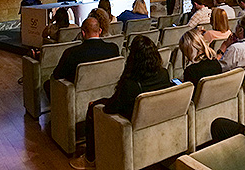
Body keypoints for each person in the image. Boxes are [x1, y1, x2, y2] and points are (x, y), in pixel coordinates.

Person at [71, 35, 171, 170]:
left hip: (129, 121)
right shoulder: (164, 74)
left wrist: (96, 103)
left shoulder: (131, 84)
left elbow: (111, 108)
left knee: (93, 107)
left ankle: (89, 159)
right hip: (152, 120)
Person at [52, 17, 120, 83]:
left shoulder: (72, 53)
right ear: (100, 31)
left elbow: (57, 75)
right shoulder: (113, 48)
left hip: (79, 93)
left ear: (83, 33)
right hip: (107, 90)